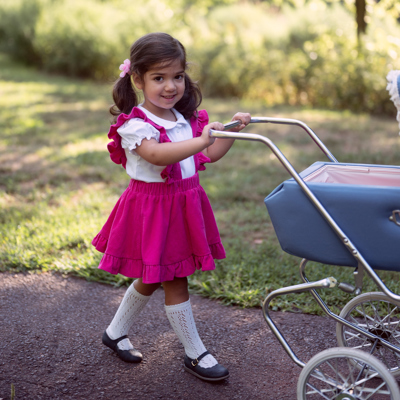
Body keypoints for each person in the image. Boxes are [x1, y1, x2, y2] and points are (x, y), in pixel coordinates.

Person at [92, 32, 251, 382]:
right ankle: (196, 353)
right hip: (153, 211)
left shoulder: (184, 120)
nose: (170, 87)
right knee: (175, 278)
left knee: (153, 278)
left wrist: (228, 133)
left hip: (184, 206)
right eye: (159, 78)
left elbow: (208, 153)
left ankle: (115, 332)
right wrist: (199, 139)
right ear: (137, 79)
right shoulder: (135, 124)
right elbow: (155, 154)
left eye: (177, 77)